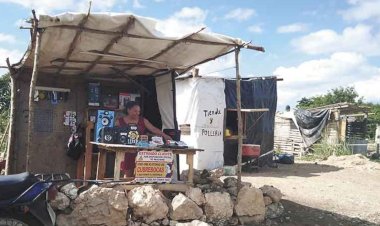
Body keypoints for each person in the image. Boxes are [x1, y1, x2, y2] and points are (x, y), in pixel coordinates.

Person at [115, 101, 172, 177]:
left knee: (140, 174)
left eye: (138, 111)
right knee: (127, 174)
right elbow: (112, 132)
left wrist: (164, 135)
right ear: (128, 110)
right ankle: (126, 188)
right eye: (135, 111)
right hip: (126, 151)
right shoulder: (120, 121)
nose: (137, 113)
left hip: (140, 151)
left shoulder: (143, 120)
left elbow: (153, 129)